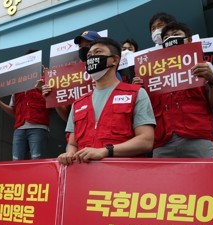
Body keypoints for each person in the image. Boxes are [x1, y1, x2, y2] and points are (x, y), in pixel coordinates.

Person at [58, 37, 155, 165]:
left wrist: (105, 151)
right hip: (85, 176)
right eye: (89, 55)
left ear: (114, 60)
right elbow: (72, 144)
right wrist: (69, 153)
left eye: (98, 52)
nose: (92, 57)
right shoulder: (78, 103)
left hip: (123, 174)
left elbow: (146, 141)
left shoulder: (136, 93)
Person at [137, 22, 213, 158]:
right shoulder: (151, 72)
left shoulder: (203, 66)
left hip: (197, 137)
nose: (171, 38)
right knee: (163, 180)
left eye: (176, 34)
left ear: (189, 40)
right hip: (162, 142)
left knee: (203, 179)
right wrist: (137, 88)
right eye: (166, 37)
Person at [0, 51, 50, 160]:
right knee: (16, 162)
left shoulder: (45, 80)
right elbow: (14, 112)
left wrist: (43, 89)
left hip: (38, 127)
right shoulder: (17, 85)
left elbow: (53, 104)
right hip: (19, 129)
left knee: (37, 161)